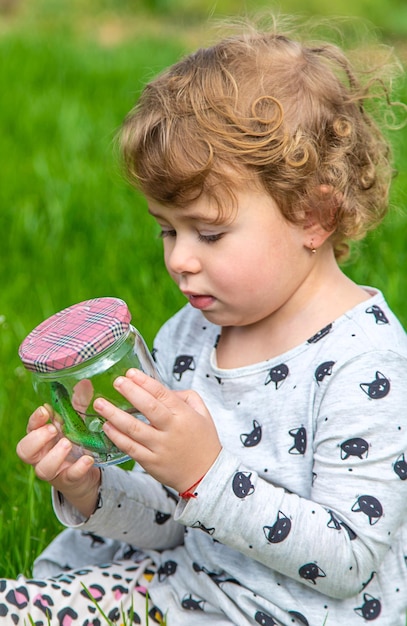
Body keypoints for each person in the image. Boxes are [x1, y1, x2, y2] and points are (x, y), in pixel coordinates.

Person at [5, 14, 407, 626]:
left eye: (211, 233)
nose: (179, 260)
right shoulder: (188, 336)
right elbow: (171, 521)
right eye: (167, 229)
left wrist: (205, 473)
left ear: (314, 214)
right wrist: (90, 486)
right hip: (183, 592)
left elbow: (347, 559)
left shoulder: (366, 361)